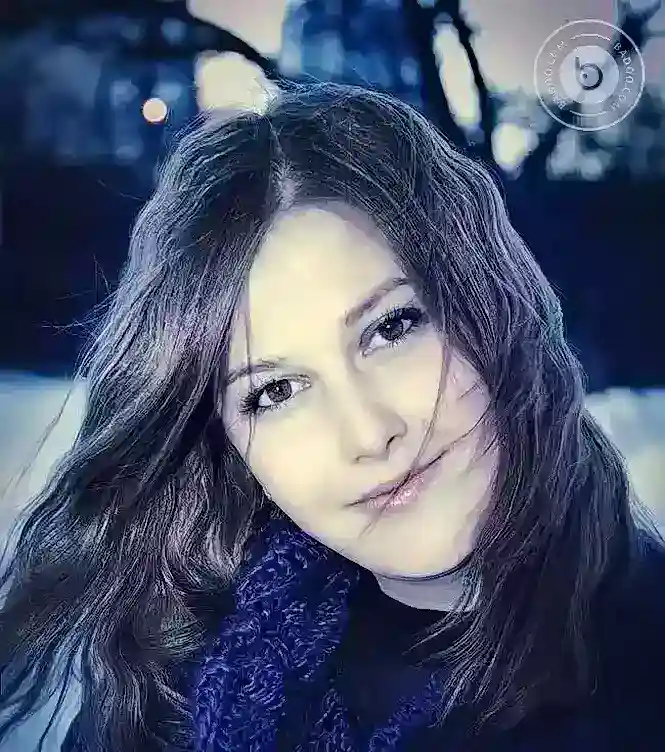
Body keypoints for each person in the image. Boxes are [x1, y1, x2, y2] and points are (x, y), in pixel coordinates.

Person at [1, 81, 664, 752]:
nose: (368, 433)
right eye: (276, 392)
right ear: (229, 449)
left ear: (490, 311)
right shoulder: (165, 698)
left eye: (391, 327)